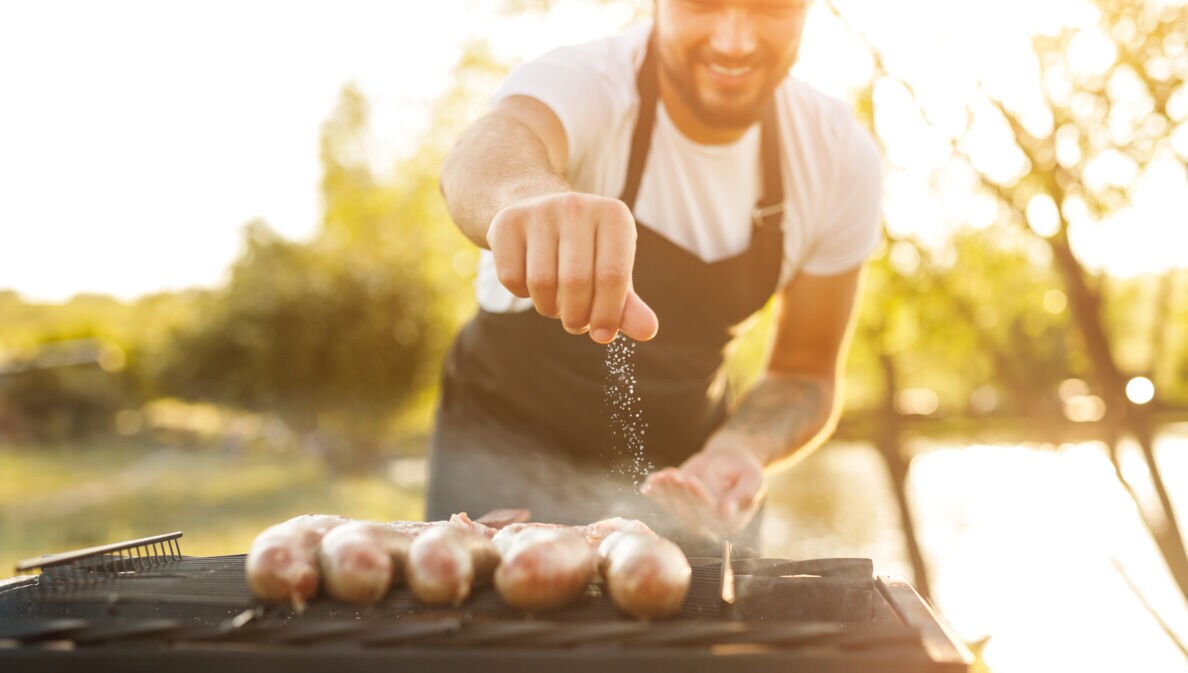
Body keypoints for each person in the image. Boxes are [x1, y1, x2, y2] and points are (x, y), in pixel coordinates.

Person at [428, 0, 881, 553]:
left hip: (686, 480)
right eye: (703, 5)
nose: (734, 41)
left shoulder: (836, 156)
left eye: (770, 7)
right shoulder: (589, 82)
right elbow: (481, 153)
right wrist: (529, 197)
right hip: (501, 456)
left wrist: (741, 448)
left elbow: (805, 374)